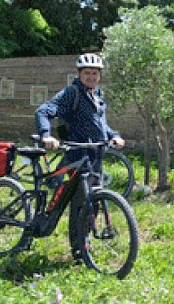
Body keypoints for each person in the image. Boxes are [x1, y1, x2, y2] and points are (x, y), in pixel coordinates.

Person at [35, 52, 125, 260]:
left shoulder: (96, 96)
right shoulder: (72, 93)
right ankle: (78, 250)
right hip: (76, 156)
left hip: (94, 156)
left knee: (93, 202)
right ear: (79, 73)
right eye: (87, 73)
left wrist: (114, 136)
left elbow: (101, 125)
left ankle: (85, 243)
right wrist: (46, 135)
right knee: (79, 204)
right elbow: (43, 111)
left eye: (95, 73)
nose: (91, 77)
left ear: (99, 75)